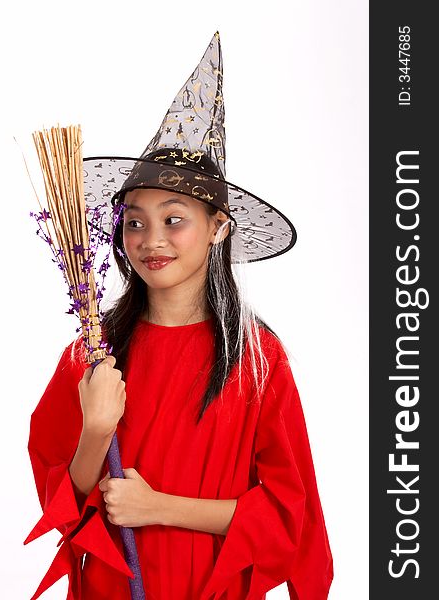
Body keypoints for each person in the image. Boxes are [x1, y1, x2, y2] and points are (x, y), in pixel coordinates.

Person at [24, 32, 333, 600]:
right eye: (135, 221)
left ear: (218, 228)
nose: (151, 240)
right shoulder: (91, 355)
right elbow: (63, 510)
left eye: (174, 219)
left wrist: (161, 508)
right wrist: (95, 432)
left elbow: (291, 514)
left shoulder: (256, 358)